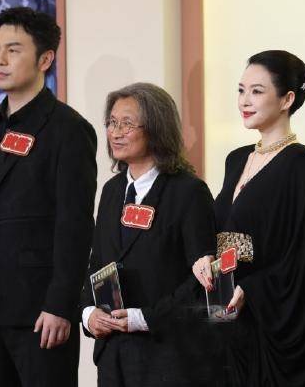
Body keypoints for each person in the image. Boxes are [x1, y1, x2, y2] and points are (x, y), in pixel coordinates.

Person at [0, 7, 97, 387]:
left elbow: (75, 227)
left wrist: (60, 304)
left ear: (45, 59)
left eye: (13, 50)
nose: (0, 60)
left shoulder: (69, 130)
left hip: (41, 314)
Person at [192, 50, 305, 386]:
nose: (245, 100)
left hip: (269, 325)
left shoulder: (300, 163)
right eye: (241, 90)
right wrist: (203, 256)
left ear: (287, 99)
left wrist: (253, 289)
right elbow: (218, 227)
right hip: (227, 321)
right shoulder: (236, 159)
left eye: (257, 91)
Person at [80, 82, 217, 387]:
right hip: (114, 356)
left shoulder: (188, 192)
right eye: (112, 122)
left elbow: (202, 283)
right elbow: (97, 262)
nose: (116, 132)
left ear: (157, 128)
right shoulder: (112, 190)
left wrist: (145, 318)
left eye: (127, 124)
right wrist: (88, 313)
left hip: (169, 357)